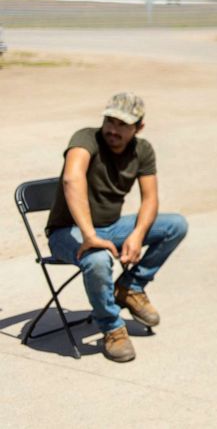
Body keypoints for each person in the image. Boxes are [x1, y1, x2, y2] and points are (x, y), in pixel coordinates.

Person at [46, 92, 188, 363]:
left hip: (112, 228)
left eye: (123, 124)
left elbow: (150, 199)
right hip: (69, 231)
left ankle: (131, 286)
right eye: (109, 121)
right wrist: (89, 236)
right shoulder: (85, 139)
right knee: (97, 258)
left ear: (139, 127)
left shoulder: (142, 150)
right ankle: (112, 327)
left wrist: (137, 235)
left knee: (176, 225)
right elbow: (72, 179)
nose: (113, 129)